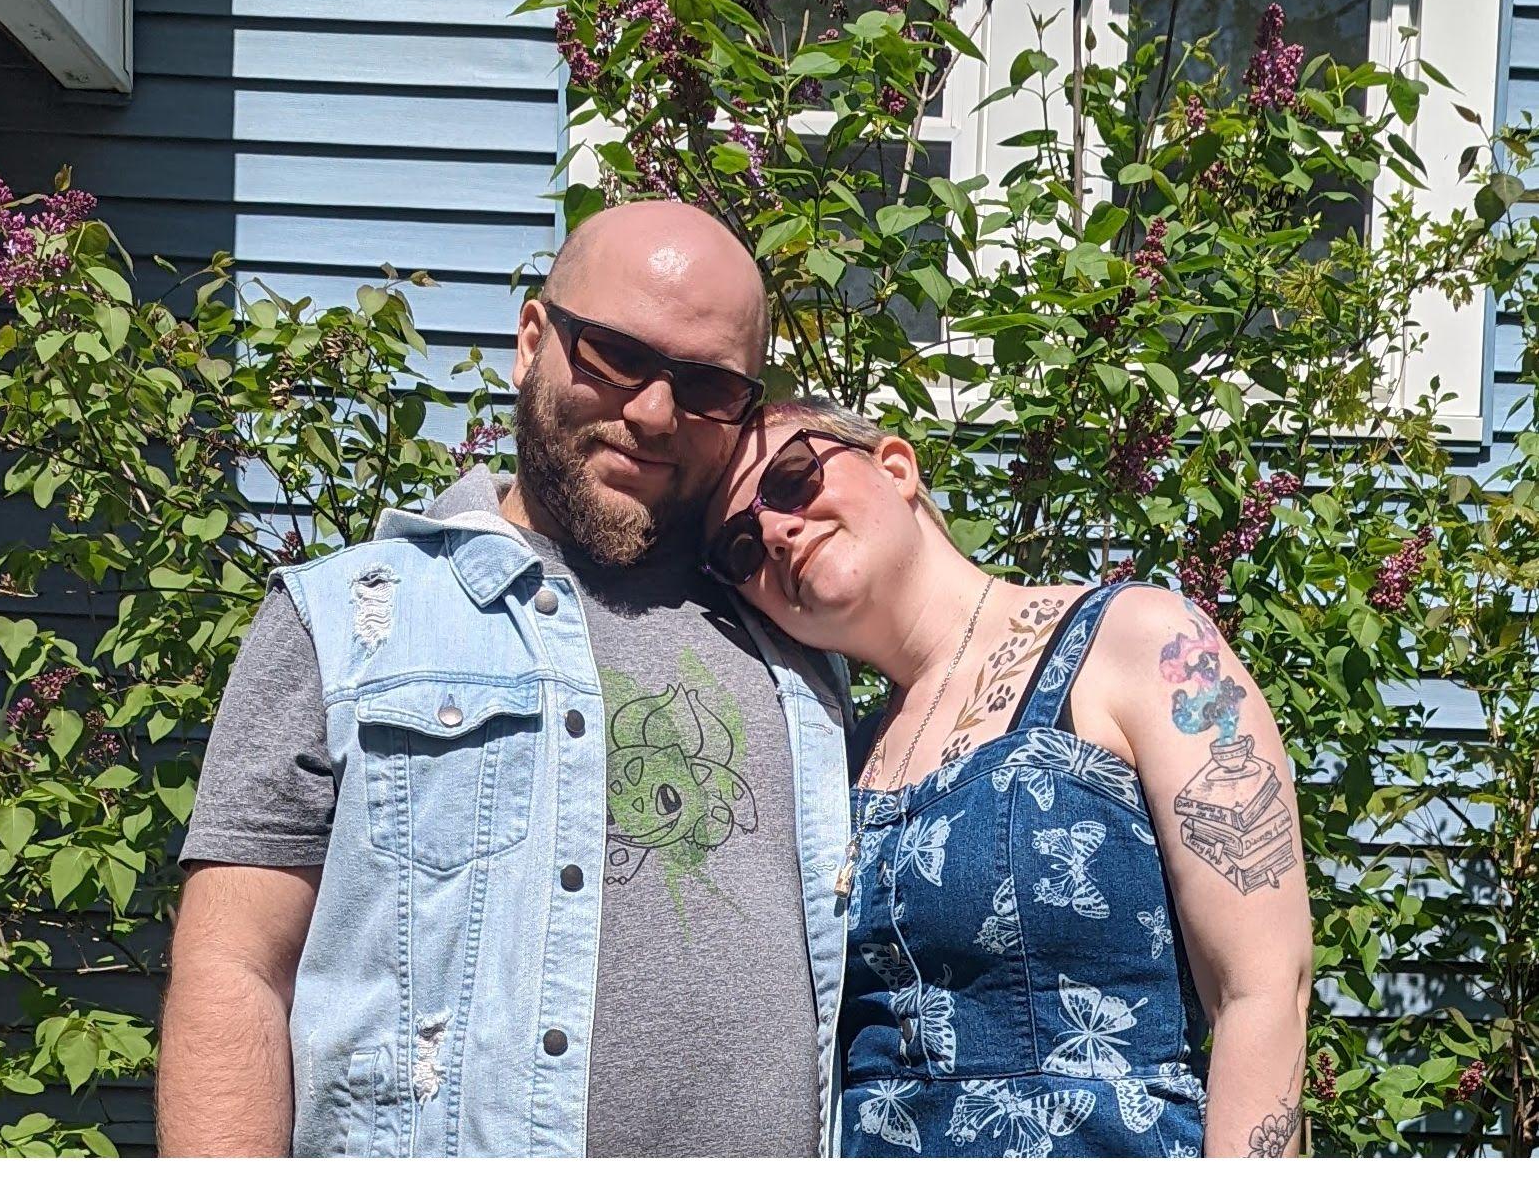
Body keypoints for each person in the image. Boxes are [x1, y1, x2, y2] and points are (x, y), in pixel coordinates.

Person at [157, 201, 852, 1158]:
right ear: (532, 342)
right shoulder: (349, 620)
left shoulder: (799, 644)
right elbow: (234, 970)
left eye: (706, 387)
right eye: (616, 356)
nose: (654, 413)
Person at [704, 398, 1314, 1160]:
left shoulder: (1137, 641)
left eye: (791, 478)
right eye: (739, 548)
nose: (774, 530)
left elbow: (1263, 991)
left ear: (895, 466)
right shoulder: (835, 765)